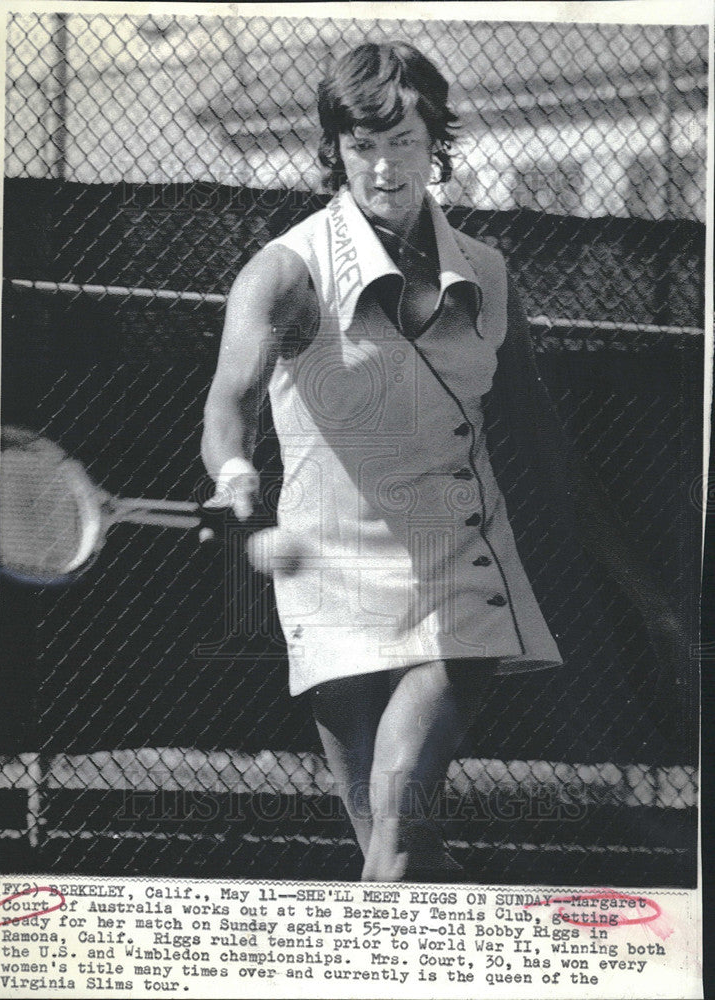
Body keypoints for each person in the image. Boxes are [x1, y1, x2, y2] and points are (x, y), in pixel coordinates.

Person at [201, 41, 681, 882]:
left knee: (389, 845)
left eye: (405, 144)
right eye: (362, 146)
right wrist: (236, 476)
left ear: (438, 147)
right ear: (335, 150)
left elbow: (539, 437)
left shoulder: (489, 275)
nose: (384, 169)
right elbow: (227, 403)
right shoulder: (284, 271)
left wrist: (643, 591)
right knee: (402, 850)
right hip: (331, 571)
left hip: (459, 566)